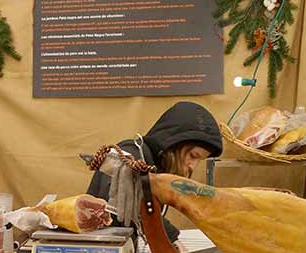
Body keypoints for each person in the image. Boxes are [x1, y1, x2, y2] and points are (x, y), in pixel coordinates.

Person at [86, 101, 223, 241]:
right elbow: (132, 208)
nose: (192, 166)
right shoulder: (129, 156)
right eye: (193, 156)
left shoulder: (156, 165)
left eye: (199, 160)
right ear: (174, 145)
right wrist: (172, 239)